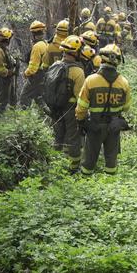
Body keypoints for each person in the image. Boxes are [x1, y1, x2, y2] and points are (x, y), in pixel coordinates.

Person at [75, 44, 130, 176]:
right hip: (114, 127)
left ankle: (86, 184)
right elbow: (126, 107)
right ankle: (110, 185)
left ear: (101, 59)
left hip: (94, 125)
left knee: (89, 160)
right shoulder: (124, 82)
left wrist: (81, 121)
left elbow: (82, 107)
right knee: (111, 161)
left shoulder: (91, 80)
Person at [46, 35, 87, 173]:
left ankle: (55, 166)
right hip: (70, 110)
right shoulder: (77, 71)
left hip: (55, 108)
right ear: (75, 52)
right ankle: (73, 168)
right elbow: (80, 96)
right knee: (73, 138)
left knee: (58, 136)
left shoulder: (54, 66)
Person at [22, 20, 49, 108]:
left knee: (24, 96)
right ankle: (45, 115)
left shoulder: (37, 47)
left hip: (36, 77)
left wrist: (26, 73)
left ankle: (25, 118)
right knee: (39, 98)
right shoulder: (46, 43)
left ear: (33, 34)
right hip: (45, 76)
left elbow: (33, 68)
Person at [0, 26, 15, 112]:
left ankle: (12, 117)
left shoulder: (4, 49)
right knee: (2, 101)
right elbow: (0, 70)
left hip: (8, 78)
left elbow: (8, 61)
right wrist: (10, 72)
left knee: (12, 99)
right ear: (7, 39)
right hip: (2, 80)